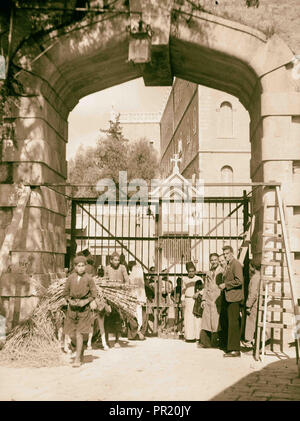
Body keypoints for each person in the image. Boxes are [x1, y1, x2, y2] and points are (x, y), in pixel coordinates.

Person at [63, 255, 98, 367]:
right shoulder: (70, 278)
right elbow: (65, 293)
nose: (81, 268)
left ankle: (77, 359)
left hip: (84, 309)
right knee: (72, 333)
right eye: (79, 266)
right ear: (75, 267)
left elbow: (94, 294)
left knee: (79, 333)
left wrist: (86, 301)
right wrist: (69, 300)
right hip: (72, 309)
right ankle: (80, 349)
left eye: (83, 266)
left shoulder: (89, 279)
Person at [219, 245, 244, 357]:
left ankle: (235, 350)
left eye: (227, 253)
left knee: (234, 323)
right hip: (229, 297)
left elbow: (239, 281)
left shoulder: (236, 264)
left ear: (232, 253)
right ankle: (230, 347)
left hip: (234, 298)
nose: (225, 255)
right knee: (229, 322)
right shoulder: (229, 265)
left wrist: (226, 285)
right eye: (224, 254)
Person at [104, 252, 130, 347]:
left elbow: (127, 280)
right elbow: (104, 280)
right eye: (115, 260)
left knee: (118, 318)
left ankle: (117, 340)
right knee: (107, 318)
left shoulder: (122, 268)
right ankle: (106, 340)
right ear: (111, 260)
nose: (116, 262)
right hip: (109, 296)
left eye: (118, 260)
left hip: (119, 296)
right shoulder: (107, 268)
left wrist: (123, 287)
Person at [199, 253, 223, 348]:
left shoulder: (222, 271)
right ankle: (207, 343)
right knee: (207, 322)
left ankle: (218, 342)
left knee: (218, 322)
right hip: (209, 300)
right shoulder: (208, 273)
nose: (213, 262)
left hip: (218, 299)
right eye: (212, 260)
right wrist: (203, 299)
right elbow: (206, 286)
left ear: (218, 260)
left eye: (215, 260)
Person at [182, 262, 204, 342]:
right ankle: (189, 337)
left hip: (197, 300)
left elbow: (203, 289)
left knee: (197, 318)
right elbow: (183, 291)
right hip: (188, 300)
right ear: (187, 271)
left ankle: (197, 337)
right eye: (189, 271)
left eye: (192, 271)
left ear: (195, 271)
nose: (191, 273)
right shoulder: (184, 279)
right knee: (189, 318)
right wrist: (183, 300)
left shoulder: (199, 279)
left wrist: (197, 293)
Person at [127, 262, 148, 340]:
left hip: (136, 298)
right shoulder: (131, 276)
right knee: (137, 315)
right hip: (136, 298)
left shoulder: (133, 276)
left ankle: (136, 333)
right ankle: (137, 333)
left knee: (138, 315)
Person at [242, 261, 261, 349]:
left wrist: (248, 305)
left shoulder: (255, 278)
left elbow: (253, 294)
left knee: (251, 323)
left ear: (253, 267)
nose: (249, 269)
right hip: (258, 303)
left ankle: (249, 343)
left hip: (253, 304)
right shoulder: (260, 276)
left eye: (250, 267)